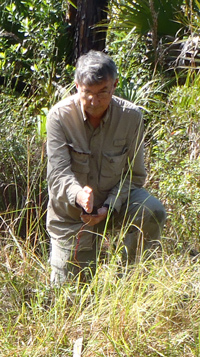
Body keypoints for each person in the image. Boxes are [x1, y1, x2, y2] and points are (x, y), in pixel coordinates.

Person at [46, 50, 166, 284]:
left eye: (102, 92)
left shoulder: (131, 117)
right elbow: (58, 174)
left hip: (116, 205)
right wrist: (79, 195)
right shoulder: (59, 117)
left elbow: (135, 174)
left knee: (152, 210)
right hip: (73, 216)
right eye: (87, 92)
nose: (94, 101)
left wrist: (110, 206)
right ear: (77, 85)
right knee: (70, 296)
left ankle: (128, 281)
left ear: (114, 85)